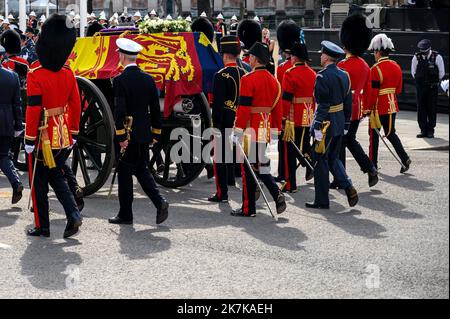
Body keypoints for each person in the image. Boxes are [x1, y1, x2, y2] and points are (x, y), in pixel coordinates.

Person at [24, 14, 83, 238]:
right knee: (57, 175)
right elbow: (75, 104)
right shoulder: (68, 72)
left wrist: (29, 140)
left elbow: (33, 110)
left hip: (42, 136)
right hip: (62, 133)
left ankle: (43, 225)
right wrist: (74, 131)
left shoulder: (35, 75)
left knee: (38, 181)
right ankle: (73, 214)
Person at [108, 38, 169, 225]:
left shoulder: (120, 80)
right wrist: (156, 134)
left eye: (119, 54)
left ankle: (126, 214)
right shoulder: (148, 79)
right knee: (142, 170)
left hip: (128, 134)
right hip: (143, 134)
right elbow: (155, 110)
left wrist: (120, 136)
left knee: (125, 175)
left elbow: (120, 111)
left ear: (123, 57)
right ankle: (160, 202)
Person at [231, 42, 287, 217]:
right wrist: (275, 132)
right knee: (259, 165)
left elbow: (244, 108)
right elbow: (278, 111)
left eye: (250, 57)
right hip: (265, 127)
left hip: (250, 129)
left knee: (248, 169)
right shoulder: (275, 81)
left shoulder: (248, 79)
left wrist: (237, 131)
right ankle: (276, 193)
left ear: (254, 59)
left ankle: (248, 208)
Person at [306, 41, 358, 210]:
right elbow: (348, 102)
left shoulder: (322, 76)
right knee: (333, 157)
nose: (320, 56)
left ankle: (322, 200)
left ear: (327, 57)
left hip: (325, 124)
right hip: (339, 122)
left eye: (322, 54)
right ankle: (348, 186)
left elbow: (322, 105)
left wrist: (316, 125)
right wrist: (346, 122)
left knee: (320, 160)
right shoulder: (345, 75)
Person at [333, 13, 379, 189]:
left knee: (343, 142)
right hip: (358, 108)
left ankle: (367, 168)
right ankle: (343, 176)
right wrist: (366, 109)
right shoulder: (365, 65)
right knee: (346, 140)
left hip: (344, 108)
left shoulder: (343, 66)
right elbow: (368, 90)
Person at [208, 36, 246, 202]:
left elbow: (217, 106)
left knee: (220, 158)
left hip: (224, 121)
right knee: (234, 152)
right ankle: (231, 179)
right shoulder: (244, 73)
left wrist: (214, 125)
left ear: (224, 55)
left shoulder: (221, 75)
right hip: (240, 119)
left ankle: (222, 193)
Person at [368, 34, 411, 173]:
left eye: (374, 52)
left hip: (378, 107)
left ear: (378, 52)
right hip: (392, 104)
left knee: (374, 136)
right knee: (391, 133)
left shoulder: (375, 68)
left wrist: (368, 107)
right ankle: (404, 158)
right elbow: (398, 89)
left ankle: (373, 164)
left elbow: (373, 92)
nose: (374, 54)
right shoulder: (396, 66)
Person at [281, 41, 316, 193]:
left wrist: (282, 117)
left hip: (293, 116)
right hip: (308, 115)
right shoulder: (313, 73)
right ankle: (309, 161)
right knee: (303, 145)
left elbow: (286, 99)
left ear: (294, 58)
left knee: (290, 151)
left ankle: (290, 184)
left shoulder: (290, 73)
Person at [275, 19, 300, 183]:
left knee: (284, 146)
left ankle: (285, 176)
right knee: (299, 145)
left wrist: (281, 116)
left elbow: (282, 94)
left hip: (289, 113)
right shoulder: (302, 66)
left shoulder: (284, 68)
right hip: (304, 112)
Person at [0, 45, 24, 205]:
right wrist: (18, 127)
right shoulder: (12, 77)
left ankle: (16, 183)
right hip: (7, 122)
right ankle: (16, 182)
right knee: (3, 155)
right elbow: (18, 104)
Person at [411, 39, 446, 138]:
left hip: (432, 87)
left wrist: (433, 81)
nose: (424, 53)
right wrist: (421, 82)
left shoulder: (437, 57)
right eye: (422, 51)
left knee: (431, 108)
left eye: (425, 51)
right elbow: (413, 72)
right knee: (421, 109)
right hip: (420, 87)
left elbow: (441, 73)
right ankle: (423, 130)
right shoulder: (416, 57)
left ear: (429, 48)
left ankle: (431, 130)